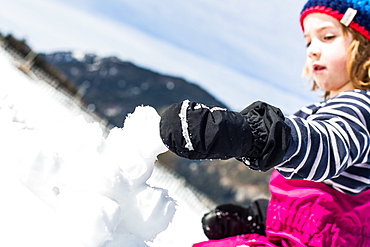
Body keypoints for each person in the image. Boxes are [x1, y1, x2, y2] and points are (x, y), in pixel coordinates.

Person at [159, 0, 370, 246]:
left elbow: (328, 145)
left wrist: (252, 134)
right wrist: (260, 218)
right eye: (308, 41)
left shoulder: (361, 108)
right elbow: (315, 199)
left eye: (327, 36)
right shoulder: (323, 111)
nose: (312, 50)